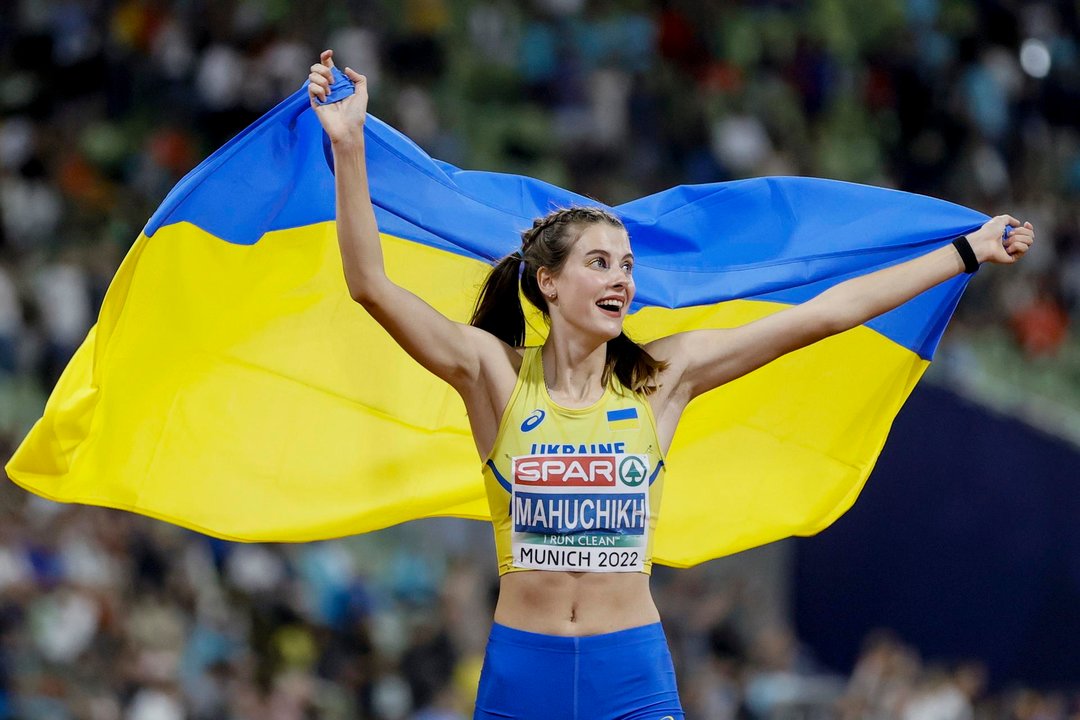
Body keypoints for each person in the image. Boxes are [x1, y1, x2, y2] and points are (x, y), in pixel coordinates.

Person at [306, 49, 1034, 720]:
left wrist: (964, 253)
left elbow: (824, 314)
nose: (622, 278)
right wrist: (348, 146)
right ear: (550, 283)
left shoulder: (664, 376)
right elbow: (370, 285)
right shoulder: (492, 374)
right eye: (600, 263)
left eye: (627, 265)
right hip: (522, 672)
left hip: (632, 673)